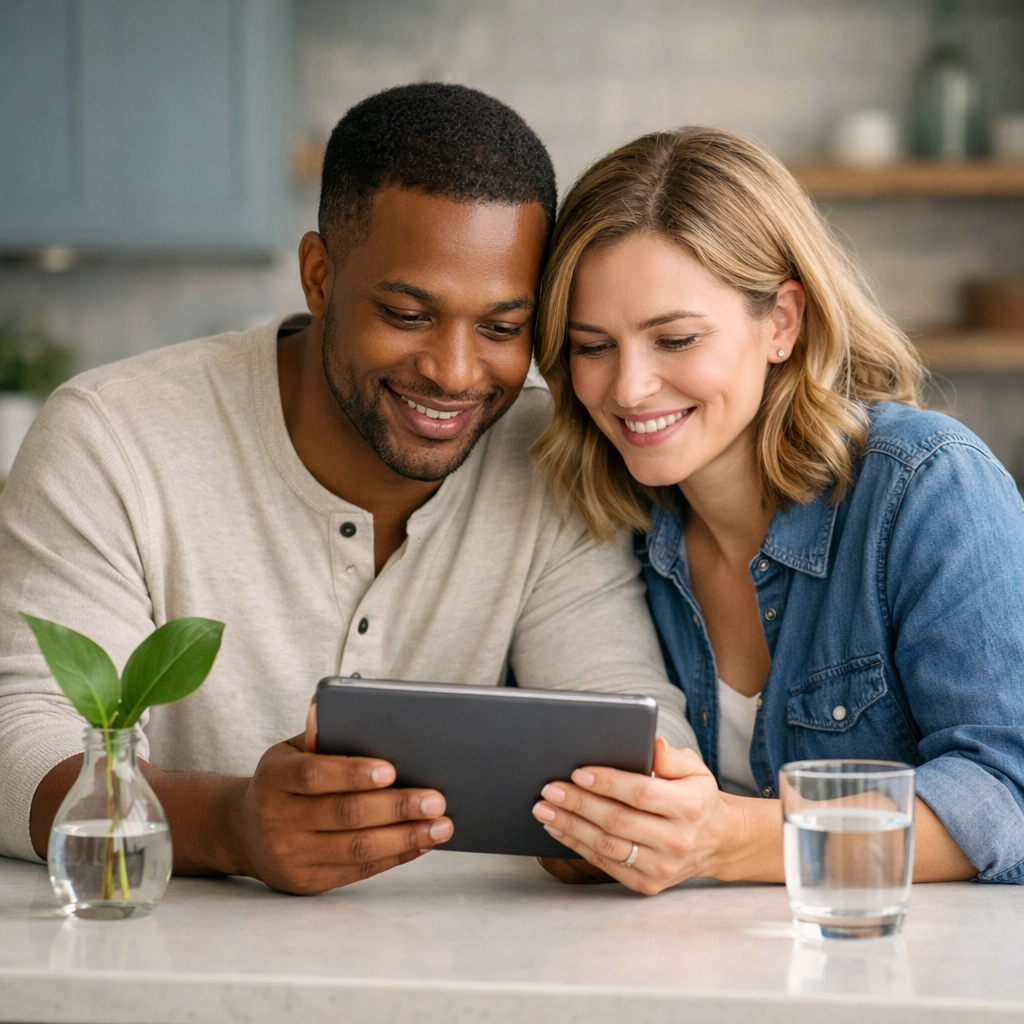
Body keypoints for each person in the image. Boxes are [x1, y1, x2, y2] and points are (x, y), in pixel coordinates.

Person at [0, 84, 697, 894]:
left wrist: (618, 824)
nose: (455, 372)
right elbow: (20, 747)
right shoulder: (111, 438)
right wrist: (230, 828)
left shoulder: (549, 456)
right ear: (320, 276)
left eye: (502, 328)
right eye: (407, 313)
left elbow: (635, 721)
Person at [529, 126, 1024, 893]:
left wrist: (731, 841)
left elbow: (1007, 795)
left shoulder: (927, 488)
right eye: (593, 347)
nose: (627, 389)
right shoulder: (607, 520)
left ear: (782, 323)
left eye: (675, 338)